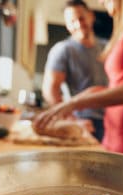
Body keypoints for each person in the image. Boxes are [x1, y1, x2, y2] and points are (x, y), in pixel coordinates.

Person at [35, 0, 123, 162]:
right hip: (112, 133)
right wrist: (67, 105)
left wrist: (74, 103)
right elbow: (114, 86)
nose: (100, 1)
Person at [42, 0, 108, 141]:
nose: (78, 24)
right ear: (66, 25)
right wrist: (72, 121)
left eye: (81, 18)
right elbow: (50, 90)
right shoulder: (63, 50)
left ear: (91, 16)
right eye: (72, 21)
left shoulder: (107, 47)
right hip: (84, 121)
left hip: (112, 120)